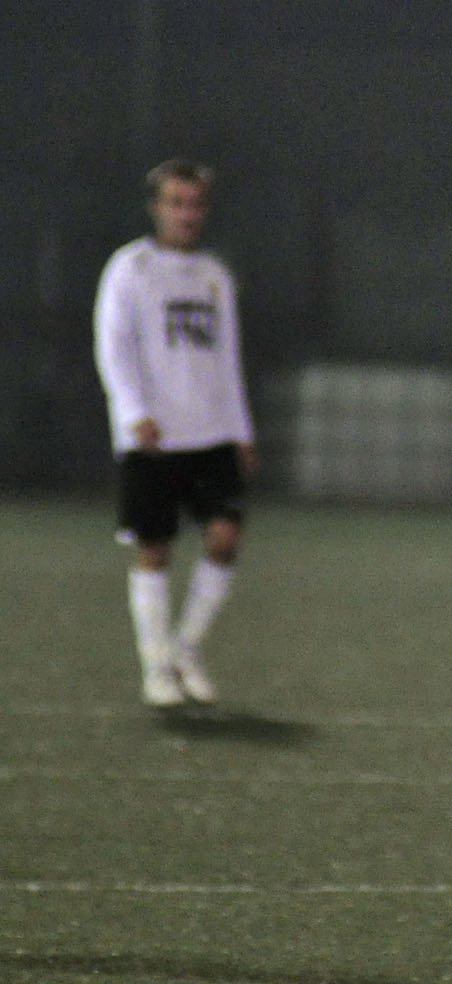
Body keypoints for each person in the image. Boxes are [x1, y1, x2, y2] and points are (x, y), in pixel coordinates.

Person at [94, 158, 257, 708]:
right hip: (154, 437)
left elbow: (228, 359)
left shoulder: (214, 274)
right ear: (156, 208)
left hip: (211, 434)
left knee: (226, 537)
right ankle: (156, 667)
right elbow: (113, 346)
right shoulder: (131, 268)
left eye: (195, 204)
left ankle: (186, 648)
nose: (187, 214)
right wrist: (133, 412)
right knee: (155, 549)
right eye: (176, 203)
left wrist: (241, 430)